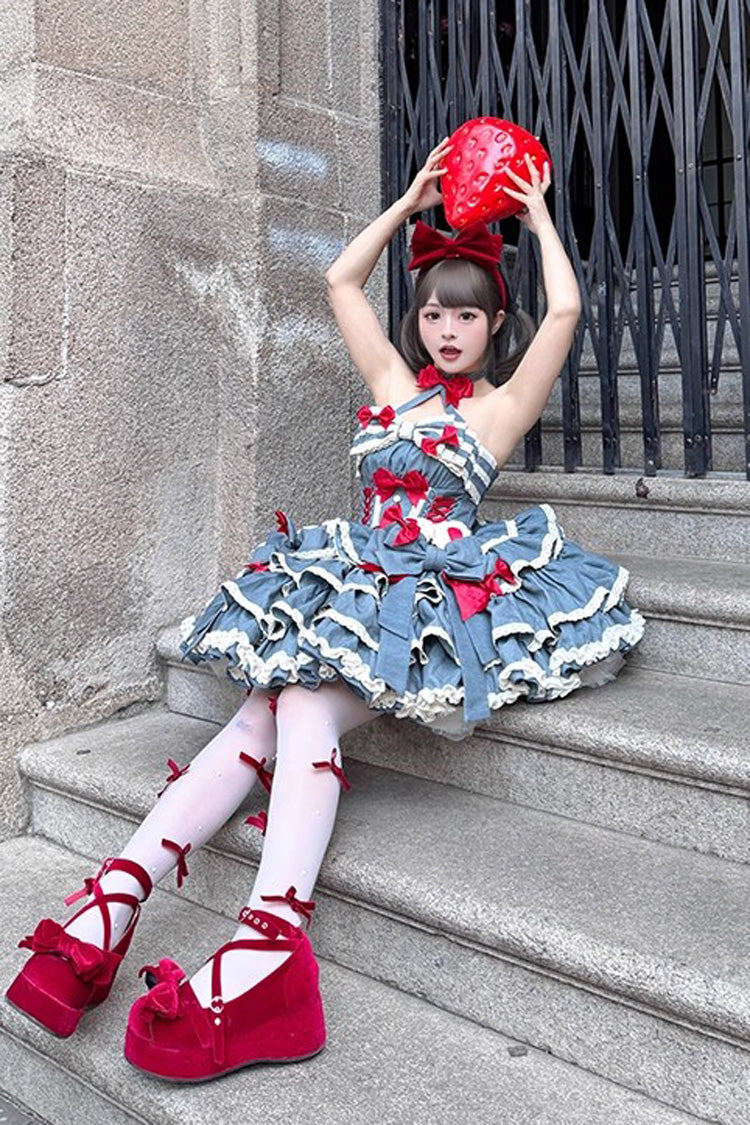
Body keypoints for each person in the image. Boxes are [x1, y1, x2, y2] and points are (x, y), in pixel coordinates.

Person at [5, 139, 646, 1081]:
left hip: (428, 603)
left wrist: (538, 215)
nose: (447, 329)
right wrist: (410, 202)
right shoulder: (394, 387)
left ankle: (263, 947)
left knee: (297, 703)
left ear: (492, 322)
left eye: (467, 314)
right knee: (262, 708)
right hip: (354, 584)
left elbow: (565, 311)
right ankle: (121, 895)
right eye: (434, 311)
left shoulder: (498, 411)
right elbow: (342, 281)